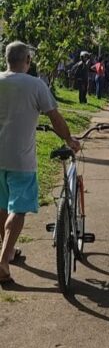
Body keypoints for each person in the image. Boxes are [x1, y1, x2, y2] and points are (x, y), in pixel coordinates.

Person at [0, 41, 80, 283]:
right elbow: (54, 117)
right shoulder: (35, 85)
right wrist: (69, 138)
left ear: (6, 59)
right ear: (27, 61)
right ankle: (3, 262)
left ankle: (9, 251)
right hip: (21, 159)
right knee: (18, 209)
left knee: (2, 206)